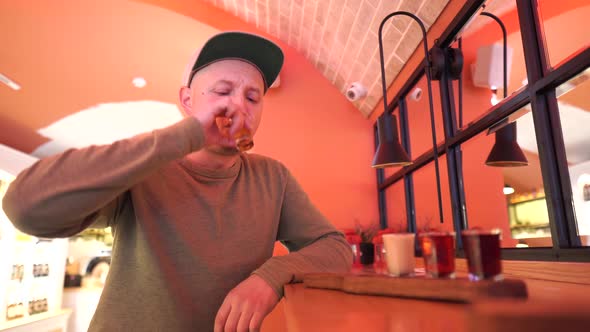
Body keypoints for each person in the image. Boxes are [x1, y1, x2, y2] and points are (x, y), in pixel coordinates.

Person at [2, 31, 352, 331]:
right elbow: (24, 208)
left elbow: (335, 248)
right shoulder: (144, 167)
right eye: (222, 91)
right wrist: (183, 136)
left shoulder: (272, 177)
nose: (238, 106)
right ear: (187, 101)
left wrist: (272, 276)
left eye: (252, 97)